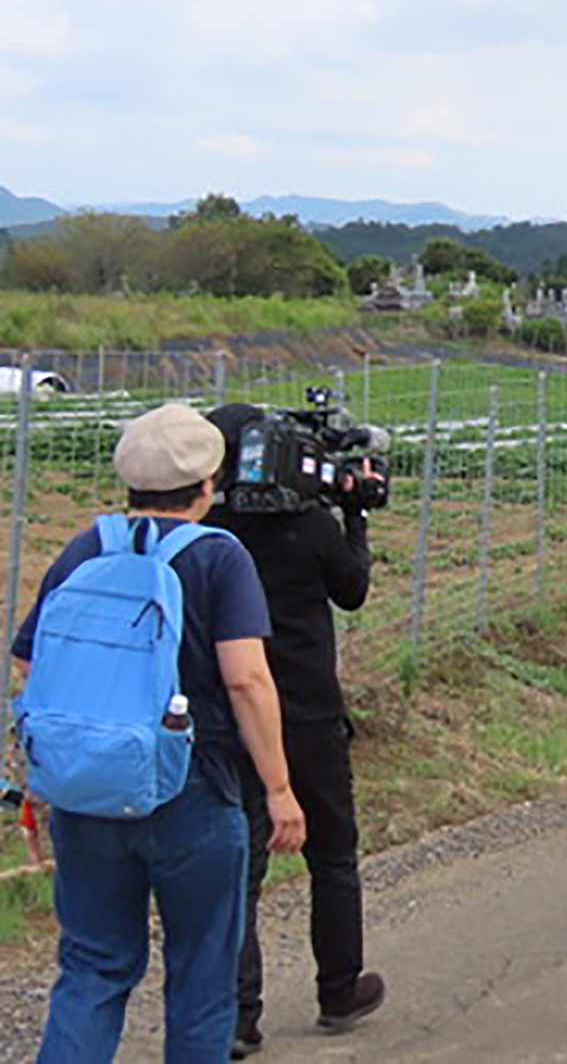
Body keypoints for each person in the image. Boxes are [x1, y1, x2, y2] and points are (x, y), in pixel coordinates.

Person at [12, 403, 305, 1062]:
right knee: (201, 981)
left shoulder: (86, 547)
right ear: (208, 486)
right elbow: (247, 681)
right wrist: (280, 788)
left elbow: (31, 658)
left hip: (88, 791)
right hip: (193, 789)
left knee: (92, 969)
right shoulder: (218, 558)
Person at [200, 404, 386, 1057]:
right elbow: (353, 590)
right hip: (307, 710)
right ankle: (339, 990)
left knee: (240, 868)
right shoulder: (311, 527)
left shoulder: (213, 528)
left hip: (233, 715)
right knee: (332, 854)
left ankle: (237, 1014)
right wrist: (354, 516)